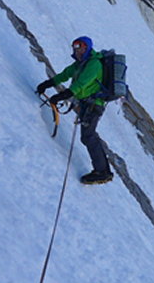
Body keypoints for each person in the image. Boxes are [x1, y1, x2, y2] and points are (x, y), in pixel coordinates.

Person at [36, 36, 113, 184]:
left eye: (81, 47)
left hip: (94, 104)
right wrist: (47, 84)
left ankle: (102, 172)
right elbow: (65, 75)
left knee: (88, 136)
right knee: (88, 135)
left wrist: (61, 96)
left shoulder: (94, 64)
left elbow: (81, 85)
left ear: (87, 48)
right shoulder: (80, 64)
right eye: (75, 47)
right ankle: (103, 171)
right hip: (87, 104)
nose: (77, 50)